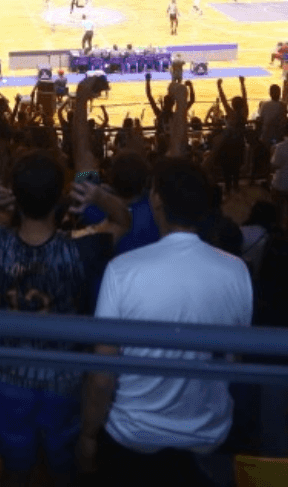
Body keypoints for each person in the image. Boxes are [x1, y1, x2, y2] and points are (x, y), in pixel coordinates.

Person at [79, 84, 251, 486]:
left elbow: (84, 163)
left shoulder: (99, 219)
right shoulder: (236, 271)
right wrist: (179, 107)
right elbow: (177, 161)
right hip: (207, 434)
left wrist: (80, 105)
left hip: (133, 435)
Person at [0, 77, 131, 487]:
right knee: (62, 468)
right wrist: (97, 196)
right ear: (63, 193)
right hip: (63, 378)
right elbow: (122, 221)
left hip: (6, 376)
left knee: (13, 469)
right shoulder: (80, 247)